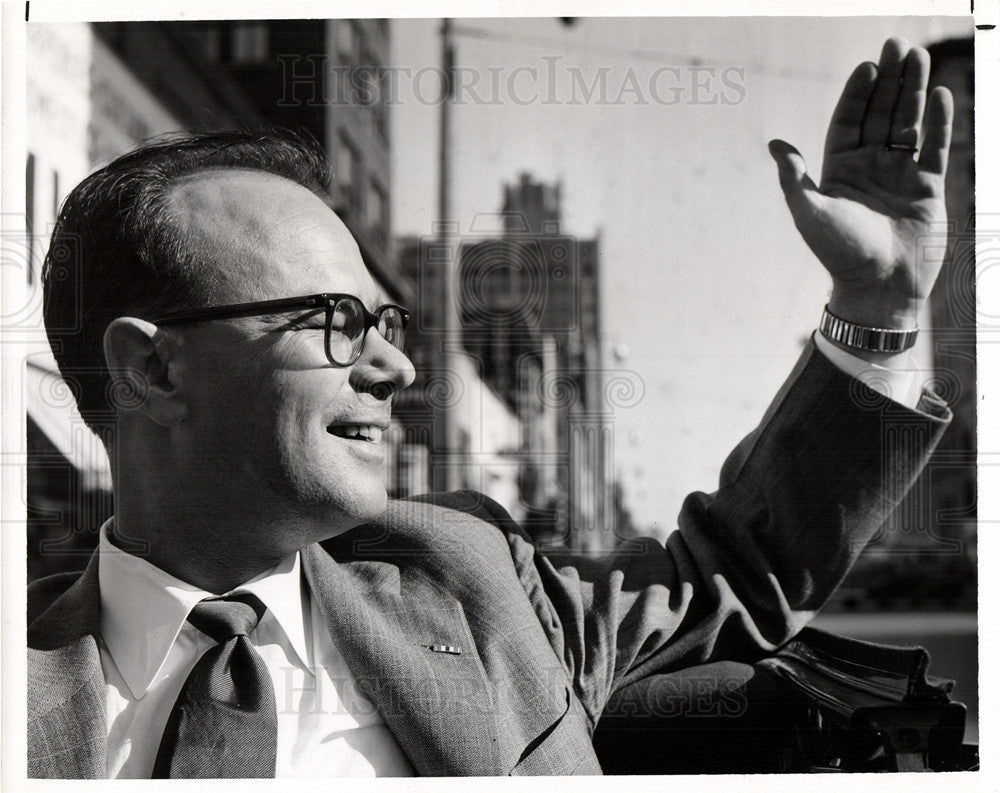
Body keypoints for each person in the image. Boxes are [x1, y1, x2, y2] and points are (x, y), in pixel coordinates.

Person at [28, 38, 954, 777]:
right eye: (338, 321)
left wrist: (879, 310)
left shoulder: (474, 586)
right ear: (151, 370)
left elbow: (734, 572)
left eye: (385, 320)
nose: (396, 365)